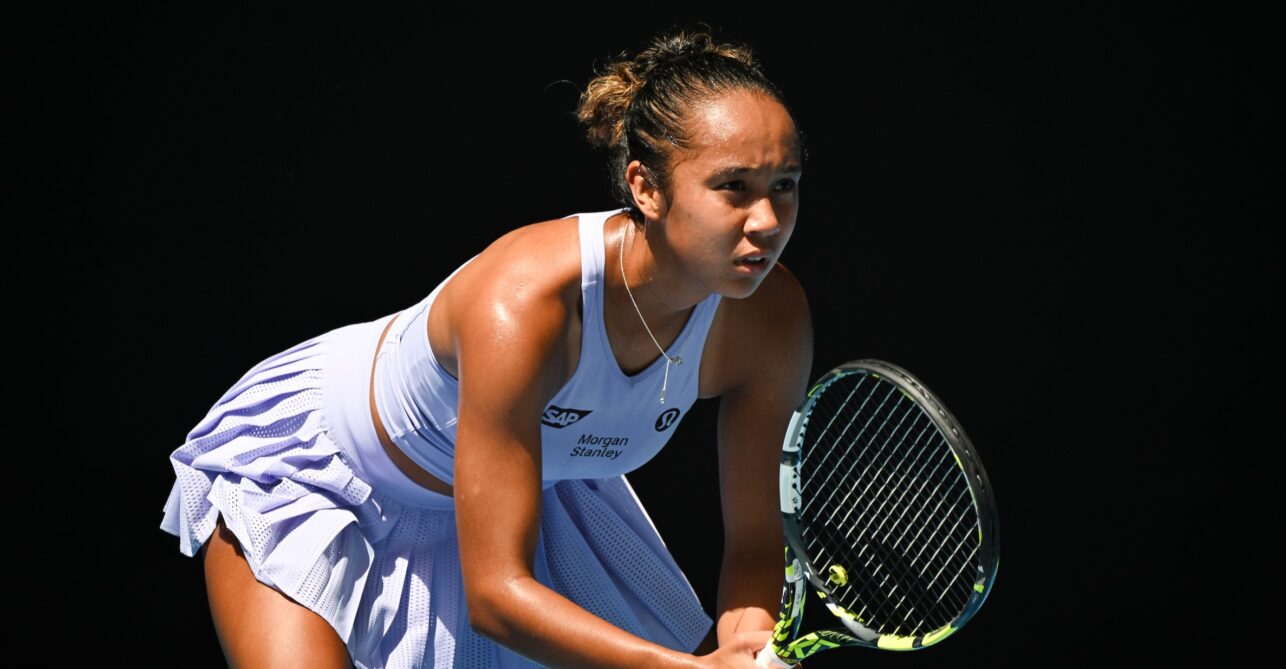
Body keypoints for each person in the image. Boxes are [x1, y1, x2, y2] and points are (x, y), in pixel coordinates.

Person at [160, 25, 812, 669]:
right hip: (324, 478)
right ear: (645, 188)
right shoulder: (526, 303)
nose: (769, 221)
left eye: (785, 184)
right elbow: (498, 596)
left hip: (523, 501)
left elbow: (756, 542)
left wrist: (744, 647)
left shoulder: (770, 319)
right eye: (734, 188)